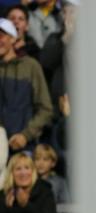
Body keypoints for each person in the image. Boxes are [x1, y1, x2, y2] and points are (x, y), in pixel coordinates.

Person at [0, 18, 53, 152]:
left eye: (1, 36)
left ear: (13, 39)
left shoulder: (30, 66)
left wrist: (25, 135)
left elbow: (45, 109)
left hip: (24, 148)